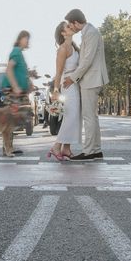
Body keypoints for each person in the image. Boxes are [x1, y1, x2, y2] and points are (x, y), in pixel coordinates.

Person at [62, 9, 109, 160]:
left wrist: (72, 78)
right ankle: (95, 150)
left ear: (76, 22)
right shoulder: (88, 32)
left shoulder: (91, 33)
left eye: (71, 24)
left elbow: (87, 60)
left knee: (89, 117)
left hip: (91, 80)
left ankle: (89, 151)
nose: (71, 27)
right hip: (91, 79)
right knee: (92, 117)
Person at [47, 22, 81, 160]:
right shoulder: (62, 49)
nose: (70, 27)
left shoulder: (74, 47)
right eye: (67, 27)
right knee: (70, 117)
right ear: (63, 33)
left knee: (74, 117)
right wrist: (56, 90)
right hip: (67, 86)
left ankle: (66, 149)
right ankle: (56, 147)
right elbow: (58, 72)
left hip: (75, 84)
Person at [1, 31, 32, 155]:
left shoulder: (19, 53)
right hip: (13, 91)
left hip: (19, 92)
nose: (28, 42)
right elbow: (9, 69)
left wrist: (28, 83)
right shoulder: (16, 52)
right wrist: (15, 86)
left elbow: (21, 72)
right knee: (12, 118)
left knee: (20, 116)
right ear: (20, 39)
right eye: (26, 39)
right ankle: (7, 148)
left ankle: (9, 147)